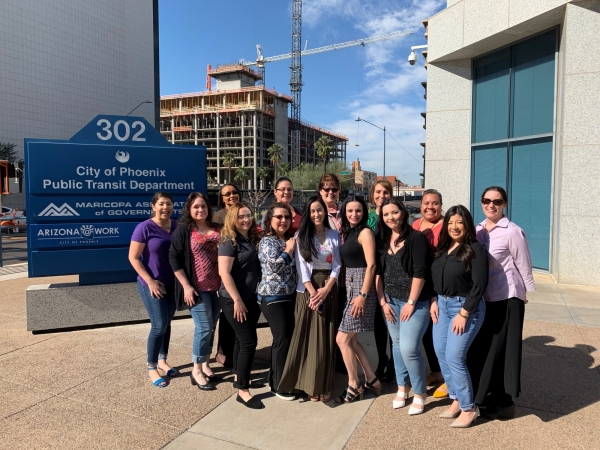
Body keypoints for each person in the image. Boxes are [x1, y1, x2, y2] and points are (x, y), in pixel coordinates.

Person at [468, 186, 535, 420]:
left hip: (508, 298)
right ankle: (488, 394)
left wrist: (524, 293)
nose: (491, 205)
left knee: (503, 351)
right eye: (487, 200)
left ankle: (505, 402)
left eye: (497, 201)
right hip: (485, 300)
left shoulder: (513, 231)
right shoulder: (477, 230)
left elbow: (524, 264)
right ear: (481, 202)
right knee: (485, 350)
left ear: (504, 204)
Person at [431, 205, 489, 428]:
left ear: (467, 225)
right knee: (441, 354)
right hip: (442, 305)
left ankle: (468, 407)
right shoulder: (443, 247)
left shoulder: (475, 249)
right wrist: (435, 300)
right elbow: (435, 277)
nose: (454, 227)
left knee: (455, 357)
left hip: (464, 308)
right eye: (451, 222)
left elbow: (479, 285)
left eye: (459, 222)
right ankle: (455, 398)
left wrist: (464, 313)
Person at [279, 196, 341, 402]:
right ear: (308, 213)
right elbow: (301, 268)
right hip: (307, 290)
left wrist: (327, 290)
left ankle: (323, 384)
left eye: (319, 210)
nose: (316, 214)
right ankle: (308, 385)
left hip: (328, 289)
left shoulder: (333, 235)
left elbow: (338, 265)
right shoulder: (300, 235)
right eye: (312, 211)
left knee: (325, 340)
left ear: (325, 211)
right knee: (308, 340)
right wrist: (314, 293)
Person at [375, 198, 433, 415]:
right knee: (397, 346)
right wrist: (382, 301)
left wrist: (411, 302)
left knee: (409, 349)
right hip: (391, 301)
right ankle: (403, 387)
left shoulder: (416, 238)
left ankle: (420, 393)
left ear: (403, 212)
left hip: (415, 303)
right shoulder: (383, 240)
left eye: (395, 213)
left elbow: (421, 273)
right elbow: (378, 274)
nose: (391, 218)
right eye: (386, 214)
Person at [169, 192, 221, 392]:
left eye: (204, 206)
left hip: (216, 288)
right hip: (196, 289)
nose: (200, 210)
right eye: (196, 207)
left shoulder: (217, 228)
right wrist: (186, 286)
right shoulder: (184, 230)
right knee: (204, 327)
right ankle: (196, 369)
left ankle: (206, 363)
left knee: (212, 326)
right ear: (189, 210)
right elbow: (174, 258)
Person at [128, 192, 178, 388]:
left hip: (173, 285)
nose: (165, 207)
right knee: (158, 326)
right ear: (153, 207)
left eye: (169, 204)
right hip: (152, 285)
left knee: (167, 323)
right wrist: (150, 281)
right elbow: (133, 258)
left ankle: (163, 360)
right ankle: (151, 367)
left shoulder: (177, 226)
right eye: (161, 204)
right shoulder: (144, 228)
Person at [218, 202, 264, 409]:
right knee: (248, 342)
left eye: (248, 215)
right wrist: (236, 300)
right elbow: (224, 273)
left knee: (240, 340)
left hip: (250, 298)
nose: (246, 219)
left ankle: (239, 375)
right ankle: (243, 390)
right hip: (233, 299)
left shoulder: (251, 239)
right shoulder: (229, 241)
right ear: (233, 219)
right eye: (241, 216)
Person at [335, 196, 381, 403]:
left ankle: (353, 384)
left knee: (342, 339)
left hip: (362, 288)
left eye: (358, 211)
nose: (354, 214)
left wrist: (362, 295)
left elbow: (371, 265)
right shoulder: (348, 232)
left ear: (364, 212)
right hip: (351, 287)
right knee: (351, 340)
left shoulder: (365, 232)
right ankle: (371, 379)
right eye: (350, 211)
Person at [257, 202, 297, 401]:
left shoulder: (290, 239)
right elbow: (274, 267)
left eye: (287, 217)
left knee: (284, 339)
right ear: (269, 220)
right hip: (272, 297)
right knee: (283, 339)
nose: (283, 221)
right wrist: (289, 251)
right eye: (279, 217)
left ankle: (276, 375)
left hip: (290, 295)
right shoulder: (267, 241)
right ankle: (278, 385)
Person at [412, 189, 446, 397]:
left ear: (441, 205)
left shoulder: (447, 224)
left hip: (440, 282)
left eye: (434, 203)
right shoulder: (416, 225)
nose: (430, 207)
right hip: (421, 283)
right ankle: (436, 371)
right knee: (425, 331)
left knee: (440, 332)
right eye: (426, 203)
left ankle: (449, 376)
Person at [366, 179, 395, 382]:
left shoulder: (395, 216)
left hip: (391, 272)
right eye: (378, 192)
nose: (381, 196)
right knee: (378, 321)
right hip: (373, 272)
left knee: (393, 317)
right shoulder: (367, 218)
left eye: (385, 192)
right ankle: (381, 359)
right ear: (372, 194)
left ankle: (395, 362)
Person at [212, 184, 240, 369]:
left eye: (234, 193)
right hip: (226, 269)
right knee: (228, 316)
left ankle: (236, 354)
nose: (231, 196)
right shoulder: (219, 217)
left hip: (242, 268)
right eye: (227, 194)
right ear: (222, 198)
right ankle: (223, 352)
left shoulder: (244, 211)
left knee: (240, 317)